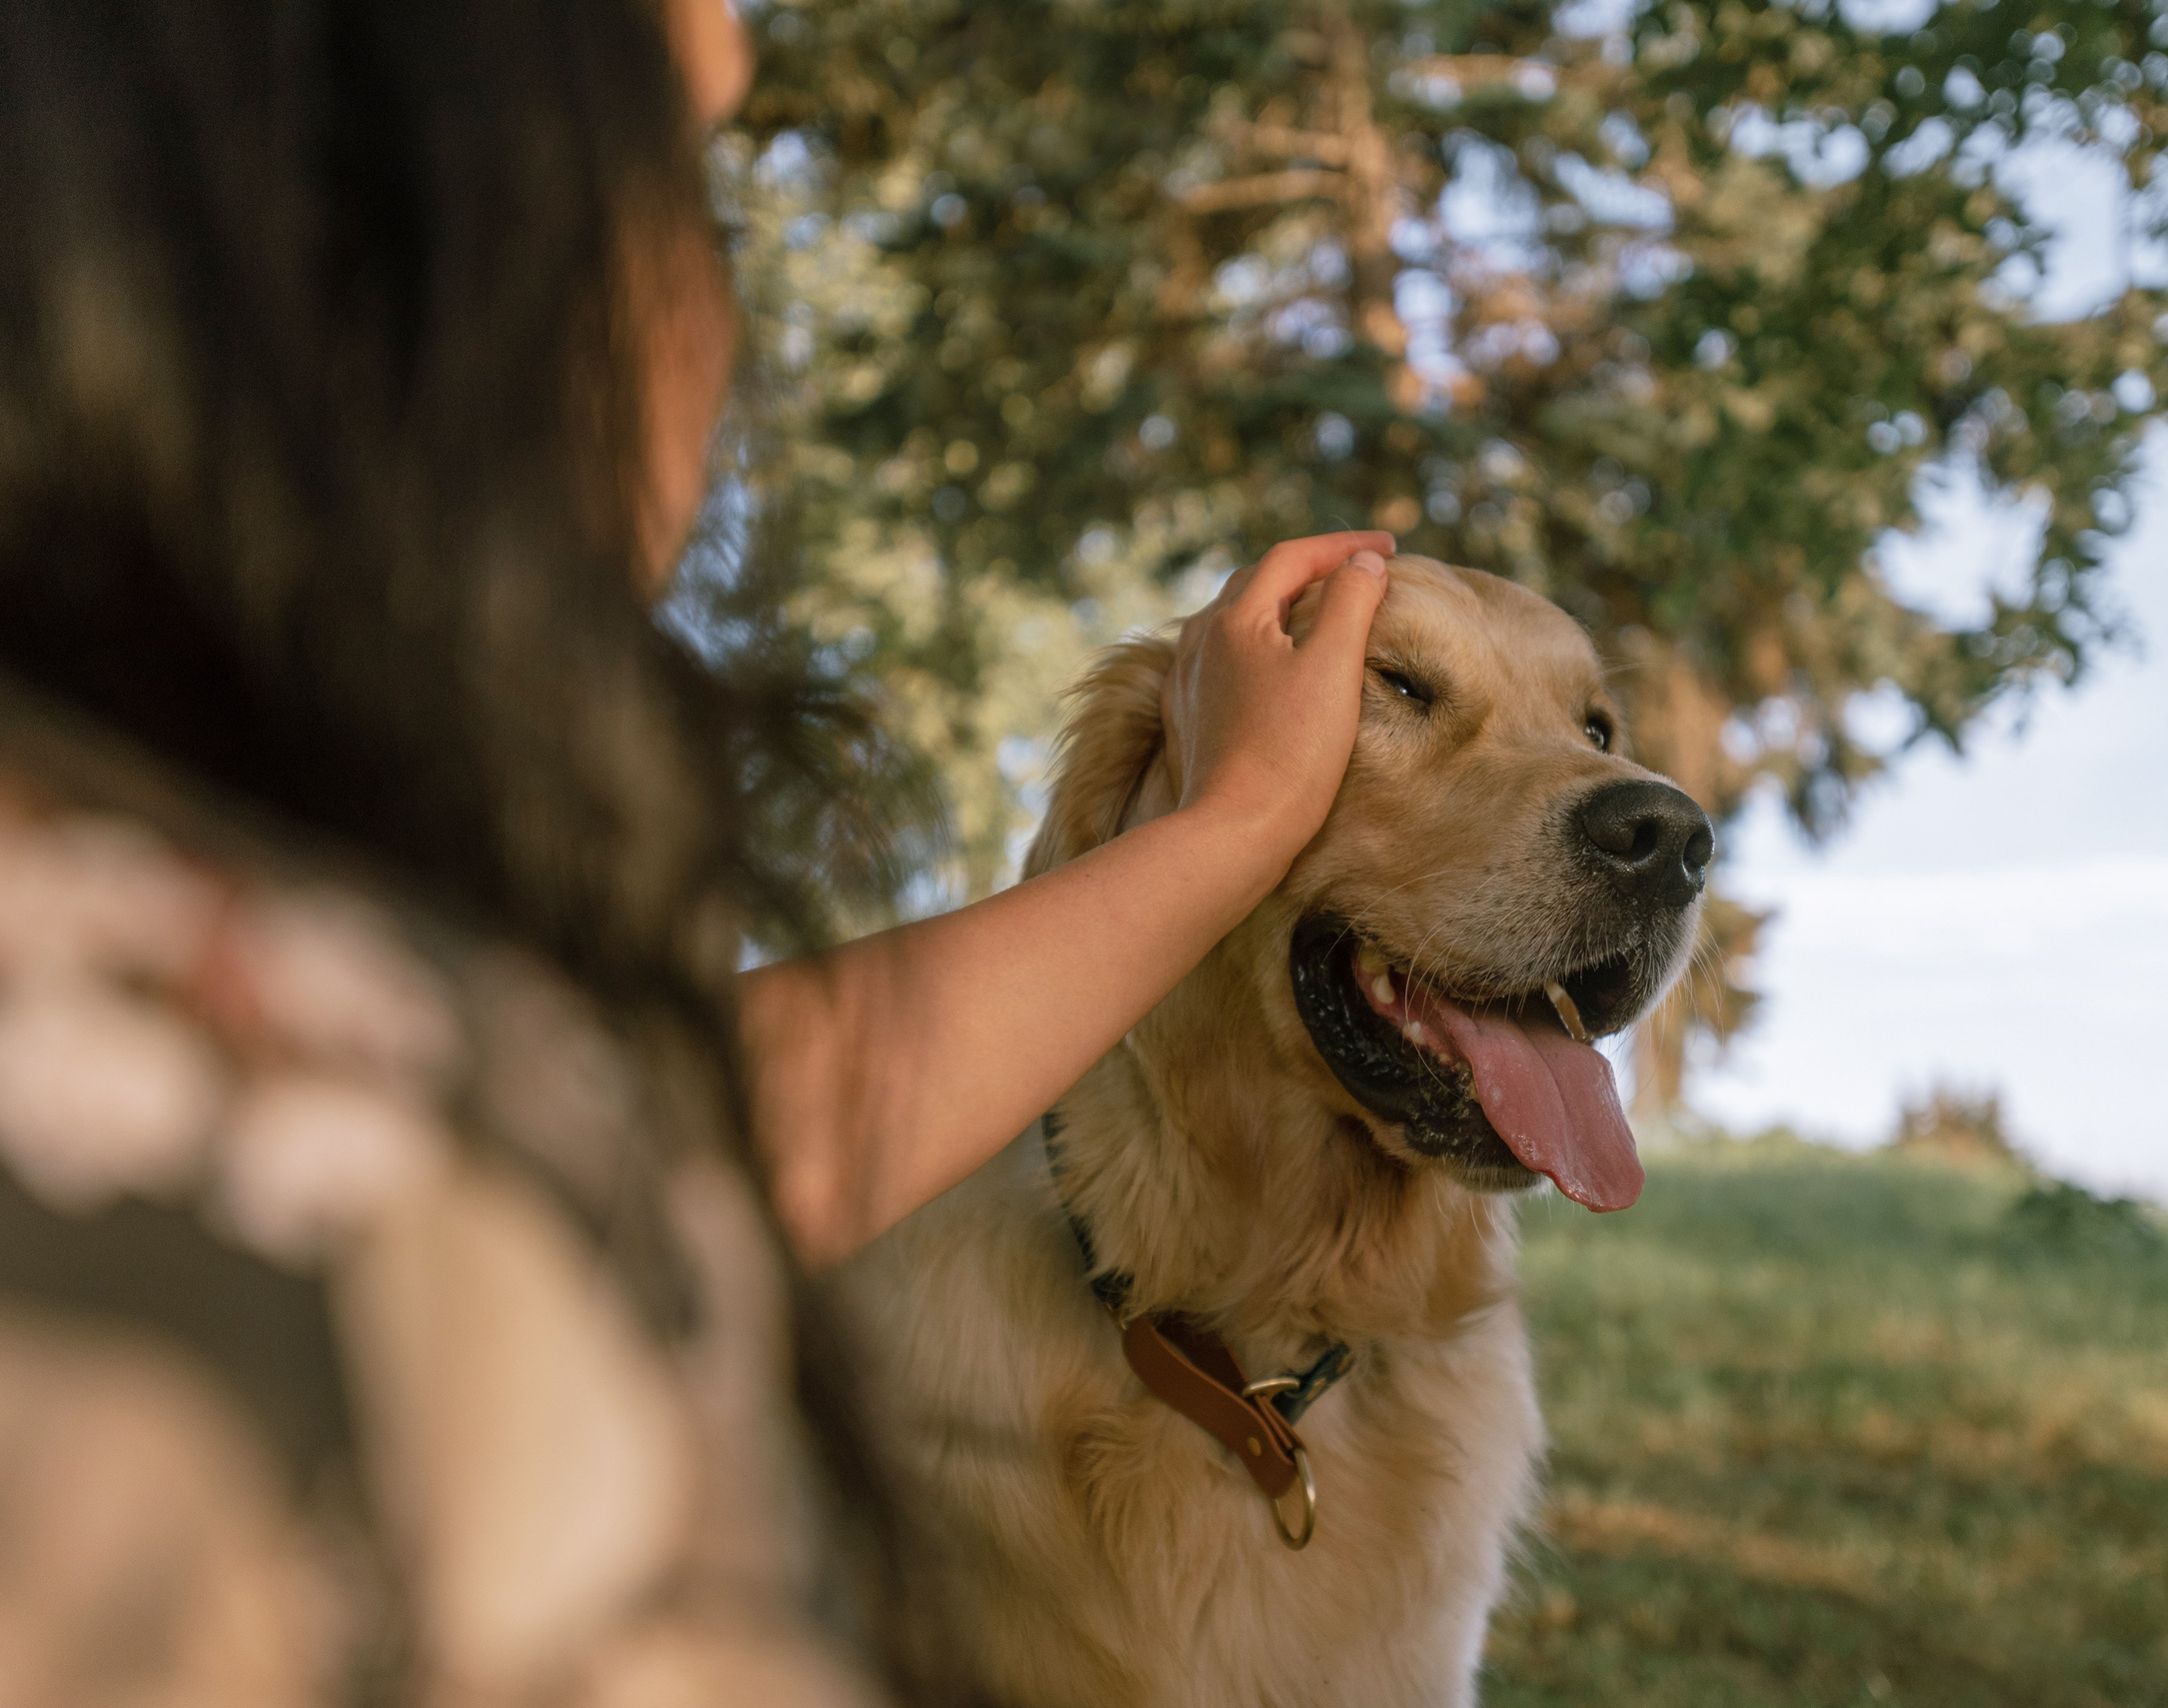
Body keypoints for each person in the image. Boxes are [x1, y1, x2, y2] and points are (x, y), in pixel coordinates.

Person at [0, 0, 1385, 1702]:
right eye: (687, 165)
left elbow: (726, 1120)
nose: (723, 326)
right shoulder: (386, 1184)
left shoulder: (214, 1030)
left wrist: (1233, 825)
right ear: (375, 215)